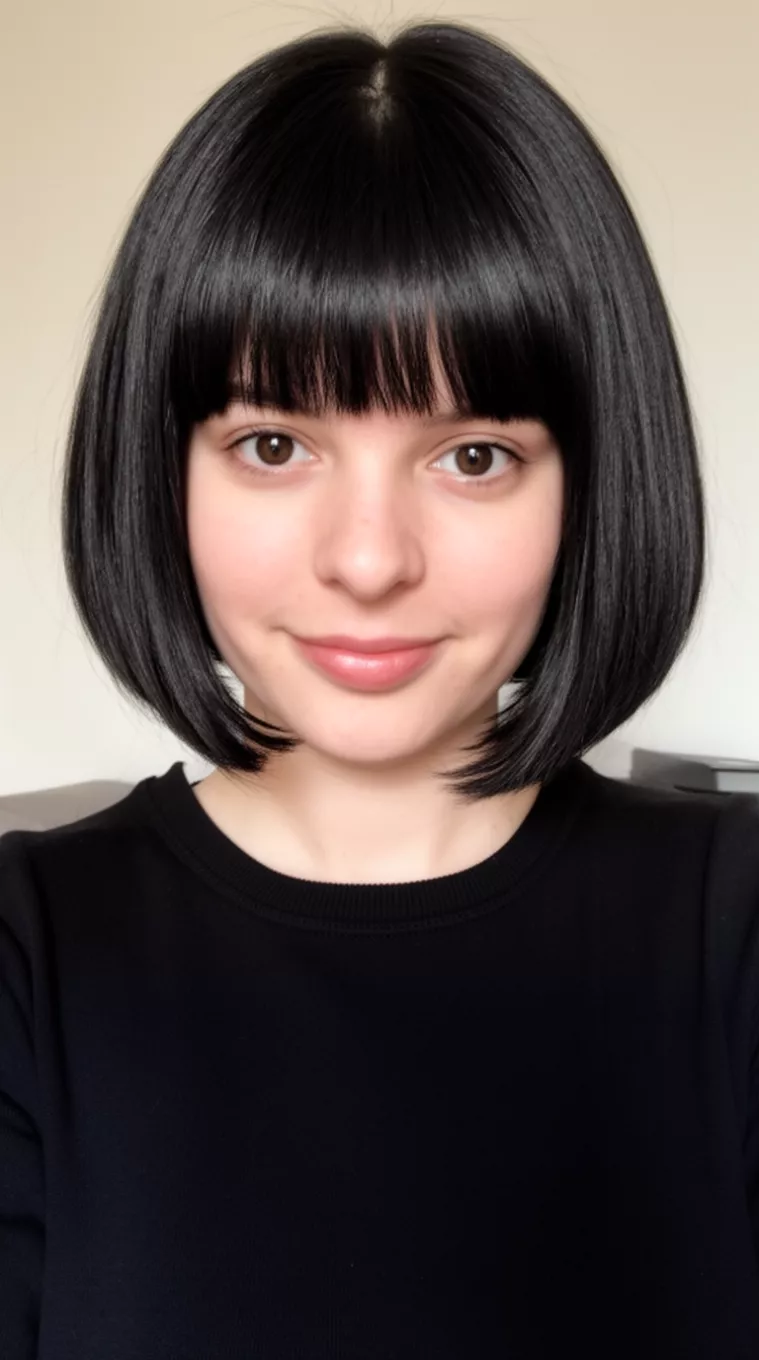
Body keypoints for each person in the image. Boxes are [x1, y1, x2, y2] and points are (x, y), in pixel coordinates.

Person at [1, 18, 758, 1359]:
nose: (366, 561)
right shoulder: (25, 955)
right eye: (274, 441)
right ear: (158, 466)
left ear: (593, 479)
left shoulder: (735, 925)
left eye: (471, 454)